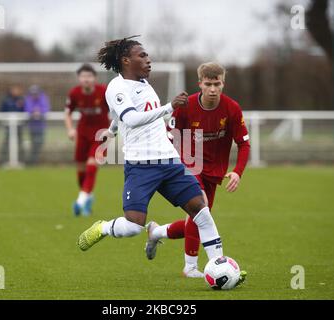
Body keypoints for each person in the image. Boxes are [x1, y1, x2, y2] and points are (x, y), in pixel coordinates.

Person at [77, 37, 242, 286]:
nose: (148, 59)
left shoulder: (144, 83)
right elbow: (130, 119)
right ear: (125, 60)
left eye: (147, 55)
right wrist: (168, 107)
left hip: (170, 162)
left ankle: (219, 268)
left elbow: (120, 119)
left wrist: (111, 130)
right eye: (142, 55)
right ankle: (103, 228)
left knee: (201, 210)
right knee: (133, 226)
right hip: (141, 166)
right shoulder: (116, 87)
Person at [147, 62, 250, 278]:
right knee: (200, 210)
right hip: (188, 165)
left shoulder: (232, 109)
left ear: (223, 83)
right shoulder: (185, 106)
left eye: (217, 84)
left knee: (200, 220)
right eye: (208, 84)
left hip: (214, 171)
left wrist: (238, 171)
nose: (213, 89)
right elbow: (169, 138)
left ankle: (156, 232)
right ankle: (190, 267)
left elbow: (244, 144)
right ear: (200, 84)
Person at [64, 64, 109, 216]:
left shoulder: (104, 92)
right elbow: (68, 113)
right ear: (79, 78)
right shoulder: (74, 93)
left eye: (89, 76)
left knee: (91, 166)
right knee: (81, 172)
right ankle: (87, 197)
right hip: (82, 134)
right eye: (83, 76)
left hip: (101, 135)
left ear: (94, 78)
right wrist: (70, 129)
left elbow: (116, 111)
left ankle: (80, 202)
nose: (86, 79)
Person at [0, 85, 25, 166]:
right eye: (14, 90)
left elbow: (24, 110)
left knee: (19, 143)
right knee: (7, 143)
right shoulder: (6, 100)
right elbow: (2, 111)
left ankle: (21, 161)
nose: (15, 92)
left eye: (17, 90)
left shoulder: (21, 100)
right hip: (8, 126)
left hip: (19, 125)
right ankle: (4, 161)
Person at [24, 85, 50, 165]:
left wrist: (39, 112)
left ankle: (33, 161)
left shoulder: (43, 98)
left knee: (39, 143)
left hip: (41, 126)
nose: (34, 95)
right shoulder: (28, 99)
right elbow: (27, 109)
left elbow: (46, 108)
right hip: (32, 126)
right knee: (34, 143)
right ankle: (32, 161)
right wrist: (33, 112)